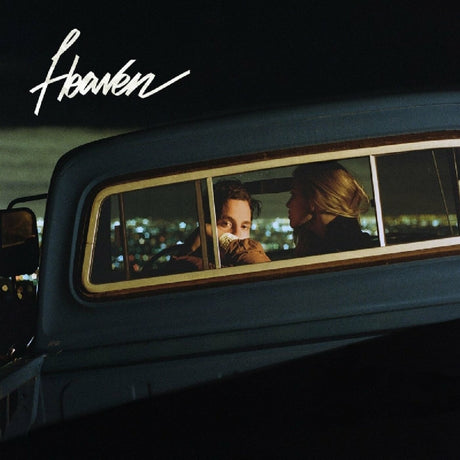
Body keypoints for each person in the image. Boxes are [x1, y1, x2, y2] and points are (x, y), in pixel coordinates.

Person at [172, 179, 270, 270]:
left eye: (244, 226)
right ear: (209, 227)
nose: (236, 235)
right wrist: (226, 239)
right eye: (226, 224)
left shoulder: (237, 263)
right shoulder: (193, 265)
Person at [286, 161, 374, 257]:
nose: (288, 204)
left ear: (315, 198)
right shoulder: (319, 244)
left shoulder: (346, 251)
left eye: (294, 195)